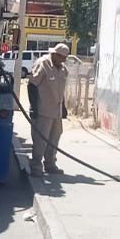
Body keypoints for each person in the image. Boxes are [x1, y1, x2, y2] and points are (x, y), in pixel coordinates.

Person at [28, 43, 70, 176]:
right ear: (55, 55)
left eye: (65, 58)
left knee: (54, 139)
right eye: (62, 57)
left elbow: (60, 90)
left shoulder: (63, 69)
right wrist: (33, 107)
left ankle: (50, 164)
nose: (64, 60)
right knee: (40, 140)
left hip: (56, 111)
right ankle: (36, 167)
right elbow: (32, 85)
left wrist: (63, 107)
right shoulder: (43, 64)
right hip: (43, 110)